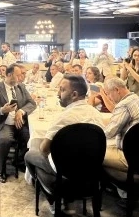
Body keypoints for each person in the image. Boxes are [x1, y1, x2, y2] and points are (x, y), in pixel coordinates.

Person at [24, 75, 104, 209]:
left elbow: (44, 150)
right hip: (91, 169)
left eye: (62, 90)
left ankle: (52, 195)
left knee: (30, 155)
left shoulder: (64, 117)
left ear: (74, 94)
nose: (58, 93)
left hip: (65, 170)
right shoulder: (95, 114)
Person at [0, 64, 36, 183]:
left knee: (30, 136)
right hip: (3, 123)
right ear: (9, 74)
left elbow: (32, 103)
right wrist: (2, 110)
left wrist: (21, 112)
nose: (21, 77)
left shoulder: (21, 87)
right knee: (5, 139)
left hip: (18, 121)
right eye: (18, 75)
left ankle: (19, 161)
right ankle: (1, 170)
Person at [97, 77, 139, 173]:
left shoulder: (123, 105)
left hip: (133, 158)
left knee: (93, 152)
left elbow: (109, 133)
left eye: (108, 94)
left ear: (117, 90)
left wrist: (92, 134)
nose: (109, 98)